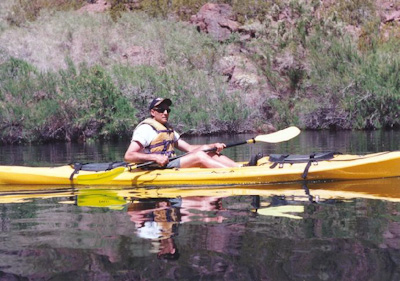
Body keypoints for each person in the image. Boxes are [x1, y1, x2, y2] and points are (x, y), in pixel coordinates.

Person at [124, 97, 240, 168]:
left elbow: (189, 148)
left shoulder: (167, 128)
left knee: (205, 149)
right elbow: (129, 156)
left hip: (170, 162)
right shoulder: (145, 129)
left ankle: (239, 167)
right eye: (161, 110)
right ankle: (231, 173)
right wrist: (155, 158)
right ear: (153, 112)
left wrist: (212, 146)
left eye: (167, 110)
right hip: (156, 166)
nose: (165, 113)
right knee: (199, 156)